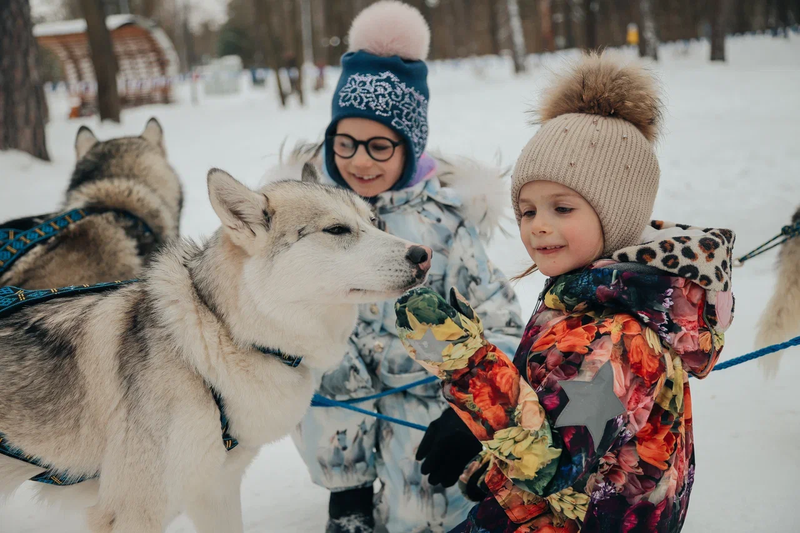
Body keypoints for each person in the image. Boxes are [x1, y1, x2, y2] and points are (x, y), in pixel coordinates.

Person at [395, 52, 736, 532]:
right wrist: (492, 464)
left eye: (562, 207)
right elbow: (557, 411)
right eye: (528, 211)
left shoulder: (620, 333)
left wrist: (466, 367)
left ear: (615, 216)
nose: (539, 227)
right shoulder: (587, 300)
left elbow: (553, 464)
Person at [285, 2, 523, 532]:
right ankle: (346, 497)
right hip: (336, 393)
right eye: (344, 143)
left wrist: (471, 409)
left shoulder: (441, 224)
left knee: (421, 515)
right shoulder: (307, 217)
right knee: (314, 365)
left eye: (379, 146)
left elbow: (504, 324)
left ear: (409, 148)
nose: (359, 160)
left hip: (421, 392)